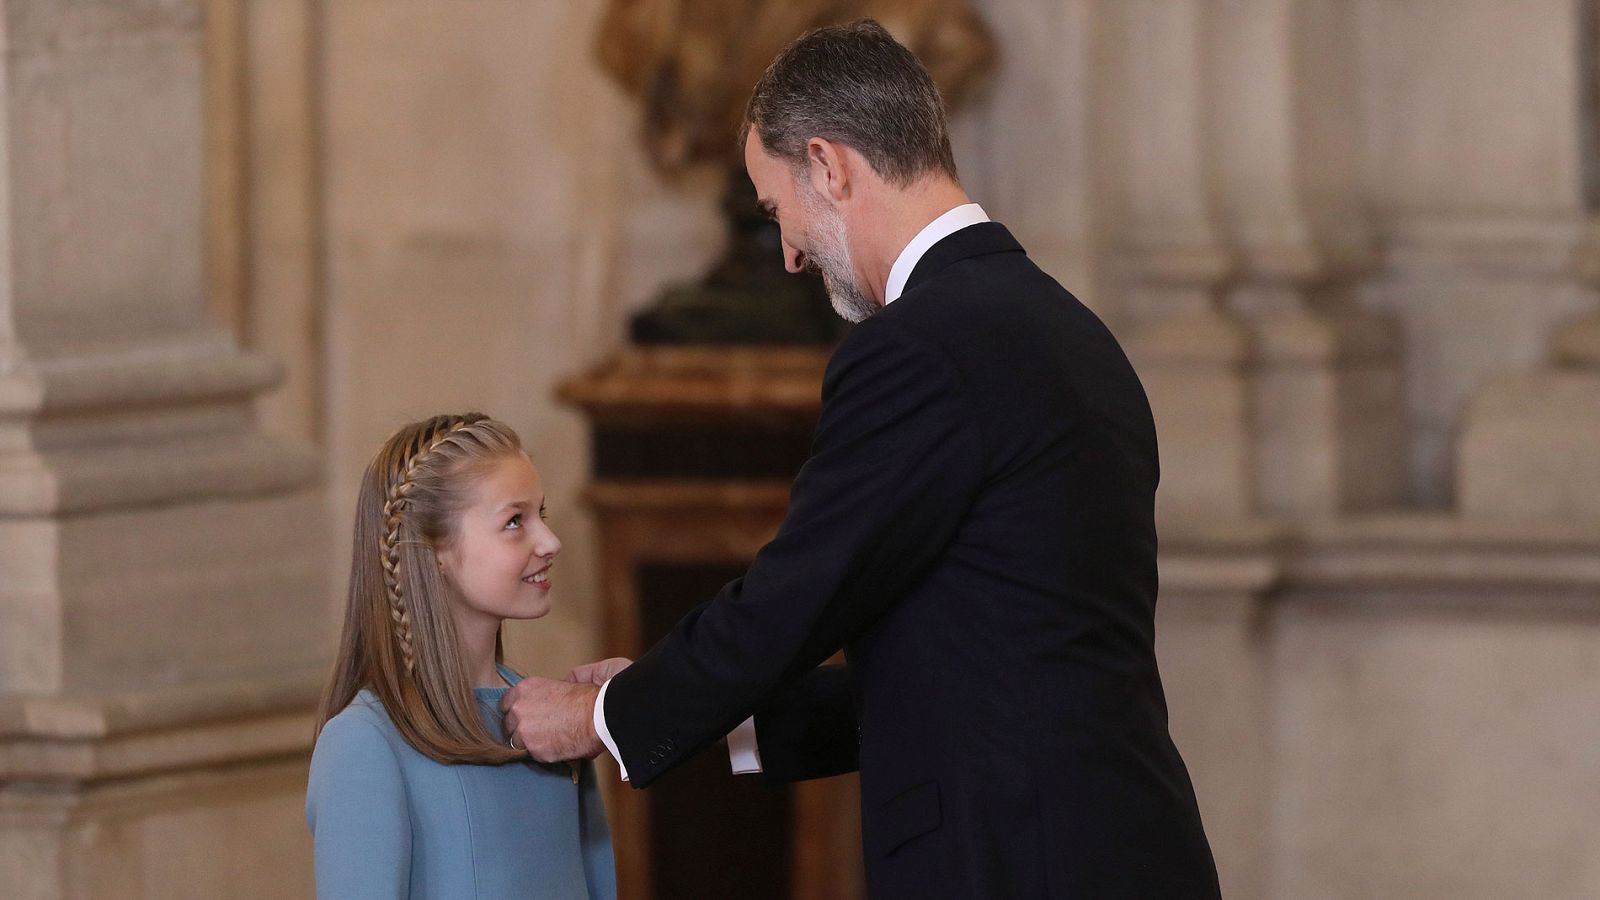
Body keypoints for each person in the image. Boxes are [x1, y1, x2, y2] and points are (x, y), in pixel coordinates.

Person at [502, 19, 1222, 898]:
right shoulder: (1071, 332)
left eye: (778, 210)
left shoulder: (918, 347)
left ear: (829, 166)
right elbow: (979, 663)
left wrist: (603, 716)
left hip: (1015, 863)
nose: (788, 255)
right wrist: (688, 704)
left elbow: (795, 597)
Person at [306, 414, 615, 900]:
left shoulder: (549, 722)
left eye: (541, 513)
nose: (550, 541)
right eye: (514, 521)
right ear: (435, 551)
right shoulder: (365, 743)